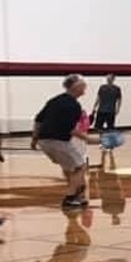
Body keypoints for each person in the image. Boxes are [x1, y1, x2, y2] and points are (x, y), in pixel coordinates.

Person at [32, 74, 91, 210]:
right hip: (58, 141)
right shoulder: (73, 106)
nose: (85, 88)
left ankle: (79, 195)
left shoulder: (54, 100)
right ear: (76, 87)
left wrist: (34, 140)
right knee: (80, 167)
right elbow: (70, 129)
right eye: (83, 85)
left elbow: (38, 119)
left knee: (70, 168)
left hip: (44, 141)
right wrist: (89, 139)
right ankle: (70, 199)